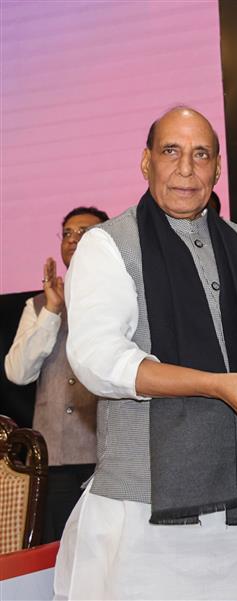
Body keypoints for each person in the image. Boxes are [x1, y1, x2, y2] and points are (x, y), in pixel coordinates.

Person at [53, 107, 237, 600]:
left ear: (218, 168)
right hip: (146, 507)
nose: (185, 168)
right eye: (170, 151)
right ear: (146, 162)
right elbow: (97, 358)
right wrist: (213, 383)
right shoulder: (107, 245)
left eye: (201, 154)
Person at [4, 206, 109, 543]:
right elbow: (18, 373)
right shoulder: (37, 305)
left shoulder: (119, 299)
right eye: (67, 233)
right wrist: (51, 310)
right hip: (54, 458)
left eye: (85, 233)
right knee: (57, 554)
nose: (74, 239)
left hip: (108, 457)